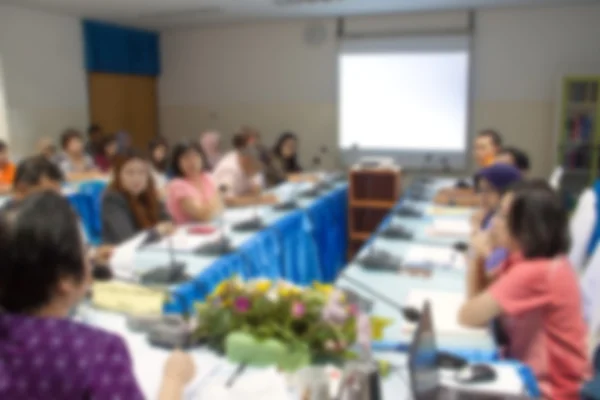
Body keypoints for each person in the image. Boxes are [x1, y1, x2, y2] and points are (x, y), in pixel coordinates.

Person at [0, 191, 195, 399]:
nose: (91, 258)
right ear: (64, 278)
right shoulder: (96, 352)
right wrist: (174, 381)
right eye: (85, 250)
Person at [459, 180, 589, 399]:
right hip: (528, 377)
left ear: (528, 226)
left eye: (503, 216)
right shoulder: (525, 260)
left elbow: (469, 316)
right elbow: (481, 304)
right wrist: (481, 258)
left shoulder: (536, 272)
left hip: (549, 392)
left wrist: (474, 256)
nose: (494, 223)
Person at [4, 155, 114, 268]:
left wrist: (94, 254)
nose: (54, 201)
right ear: (21, 191)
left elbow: (80, 248)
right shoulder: (8, 227)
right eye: (48, 195)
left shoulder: (63, 211)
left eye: (58, 192)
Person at [102, 151, 172, 244]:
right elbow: (128, 239)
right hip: (122, 255)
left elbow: (168, 221)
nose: (136, 178)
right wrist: (158, 231)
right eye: (130, 173)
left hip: (151, 249)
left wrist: (165, 226)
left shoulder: (147, 193)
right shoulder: (112, 199)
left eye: (141, 172)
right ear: (118, 176)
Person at [213, 132, 277, 207]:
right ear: (246, 159)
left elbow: (257, 189)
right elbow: (227, 200)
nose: (256, 172)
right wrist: (259, 200)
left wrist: (254, 197)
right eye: (255, 168)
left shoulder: (254, 161)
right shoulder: (228, 168)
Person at [166, 142, 223, 224]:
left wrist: (216, 201)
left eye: (195, 156)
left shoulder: (207, 177)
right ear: (177, 163)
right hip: (187, 233)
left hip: (211, 227)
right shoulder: (177, 185)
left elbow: (220, 209)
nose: (192, 162)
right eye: (186, 158)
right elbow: (202, 215)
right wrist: (219, 195)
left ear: (202, 158)